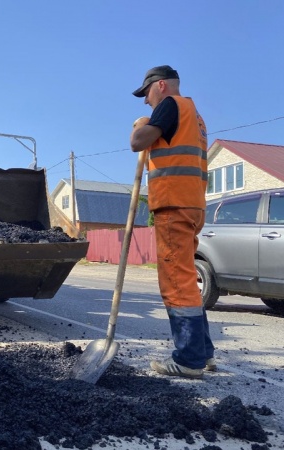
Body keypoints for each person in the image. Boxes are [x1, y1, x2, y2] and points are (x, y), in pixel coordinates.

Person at [130, 65, 215, 379]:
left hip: (174, 206)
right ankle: (203, 352)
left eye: (146, 94)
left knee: (176, 283)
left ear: (161, 85)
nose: (145, 102)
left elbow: (138, 141)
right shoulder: (196, 116)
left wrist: (140, 125)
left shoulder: (170, 106)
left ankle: (189, 359)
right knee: (186, 279)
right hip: (193, 206)